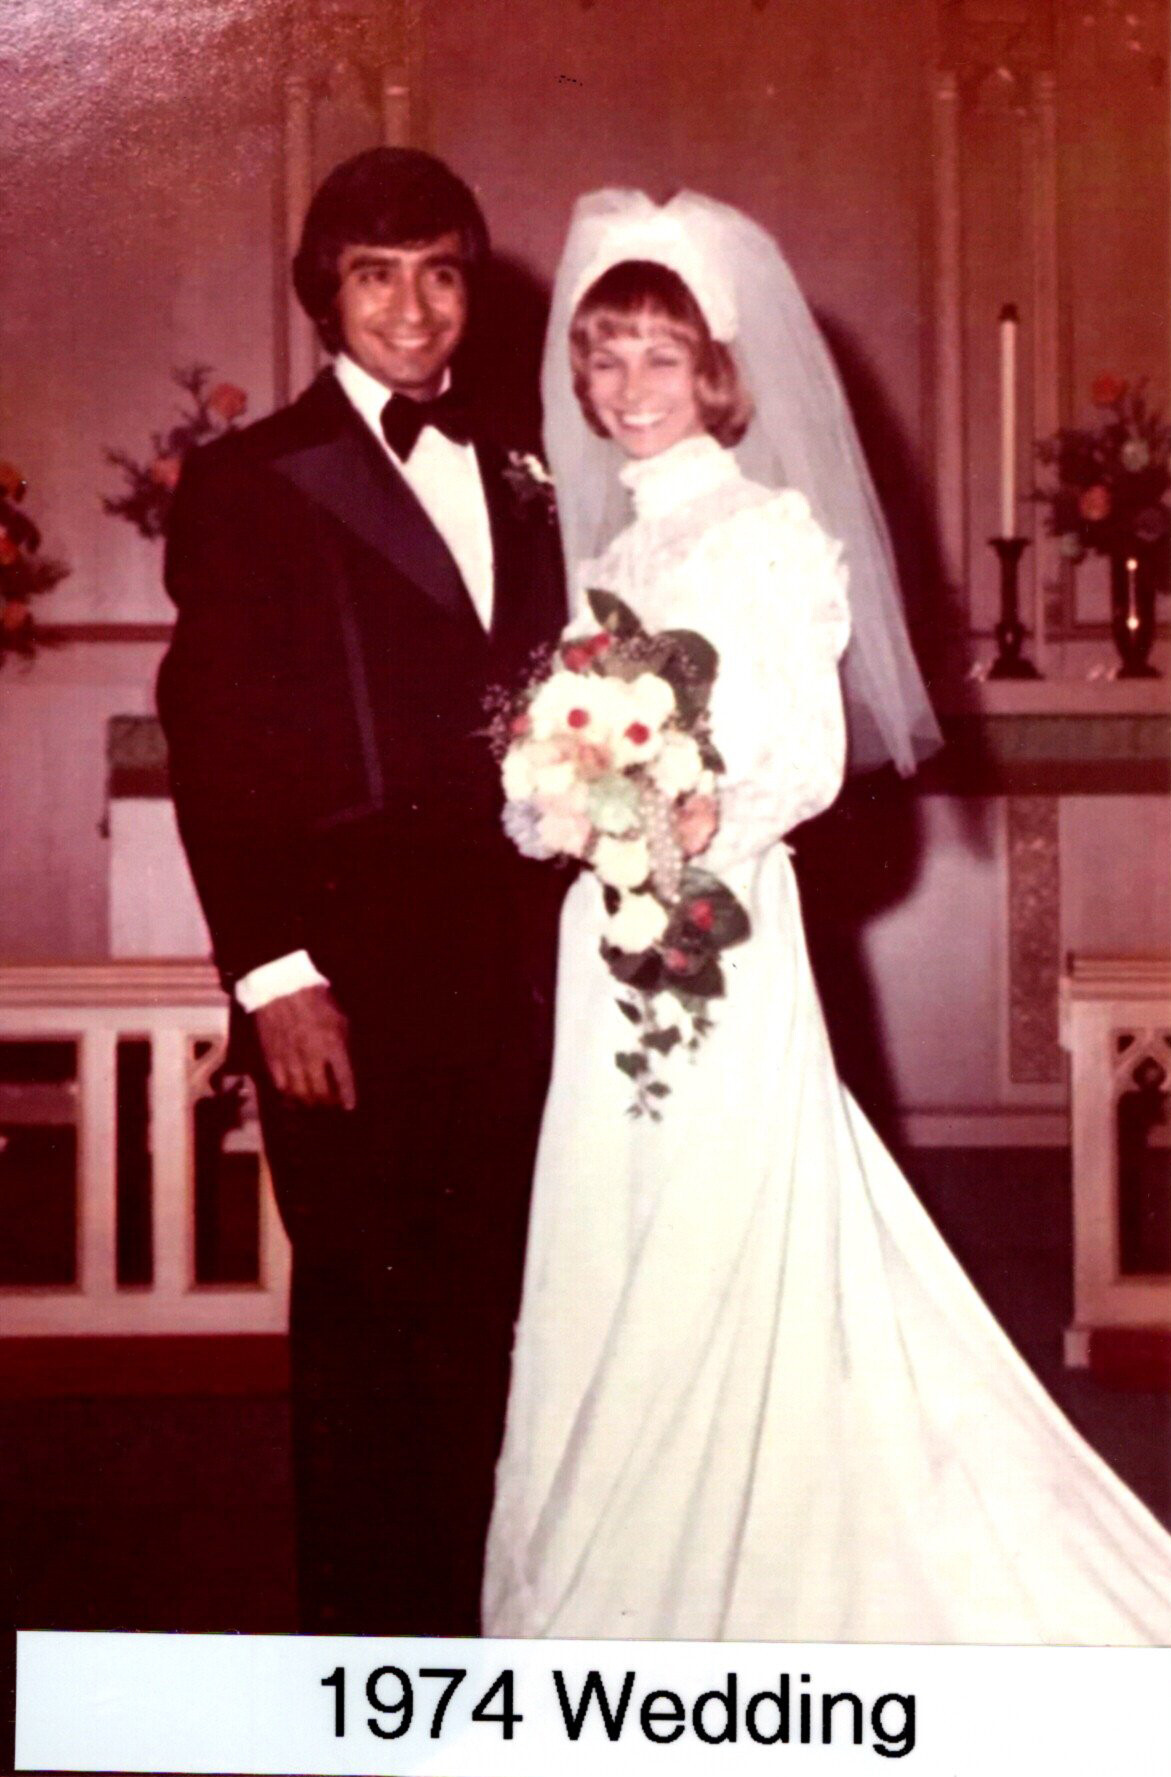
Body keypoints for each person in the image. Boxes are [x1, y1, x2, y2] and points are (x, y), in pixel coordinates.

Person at [482, 189, 1171, 1644]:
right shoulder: (609, 550)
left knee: (720, 1215)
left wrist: (688, 821)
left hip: (720, 925)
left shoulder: (769, 530)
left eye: (663, 356)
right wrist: (563, 798)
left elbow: (805, 750)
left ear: (718, 368)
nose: (630, 387)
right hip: (609, 943)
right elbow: (562, 748)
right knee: (617, 1221)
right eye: (606, 356)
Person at [157, 147, 566, 1635]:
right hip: (348, 966)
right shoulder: (250, 480)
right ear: (323, 296)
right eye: (376, 275)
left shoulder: (529, 474)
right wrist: (275, 976)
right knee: (364, 1320)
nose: (412, 307)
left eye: (441, 273)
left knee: (495, 1313)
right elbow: (214, 743)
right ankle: (366, 1658)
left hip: (514, 962)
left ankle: (488, 1632)